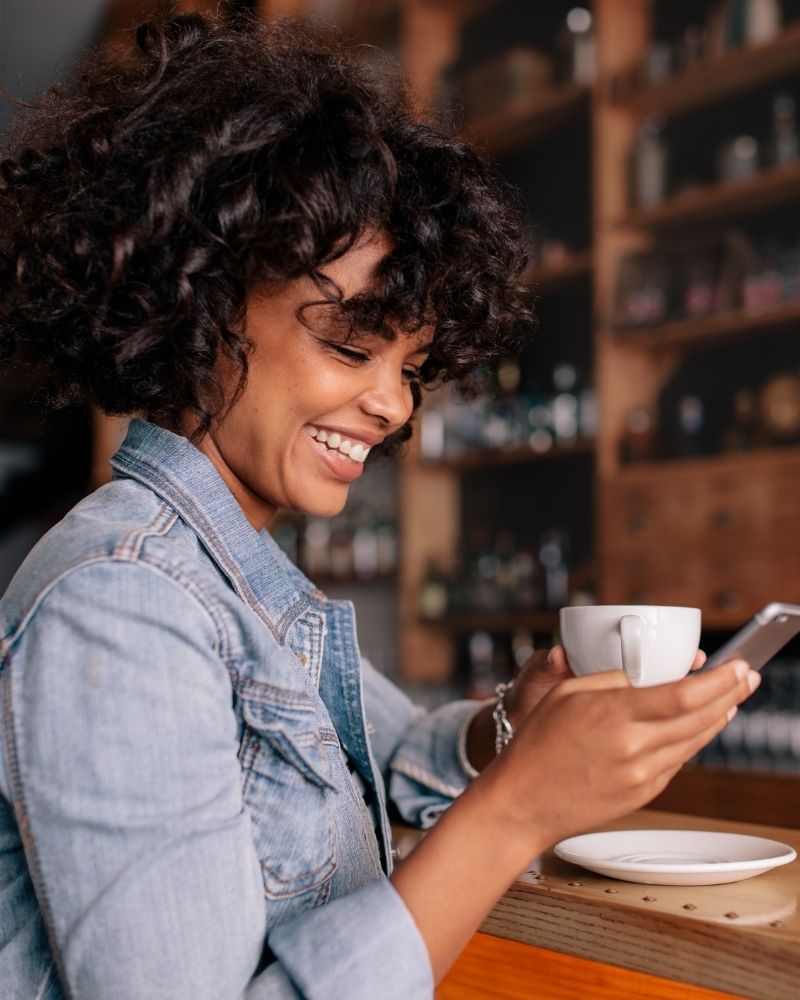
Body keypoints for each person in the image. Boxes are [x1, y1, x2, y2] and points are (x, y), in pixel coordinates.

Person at [0, 12, 759, 1000]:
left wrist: (507, 732)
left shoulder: (239, 581)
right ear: (202, 306)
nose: (393, 405)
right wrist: (515, 811)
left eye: (410, 367)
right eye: (352, 347)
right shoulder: (123, 602)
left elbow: (387, 755)